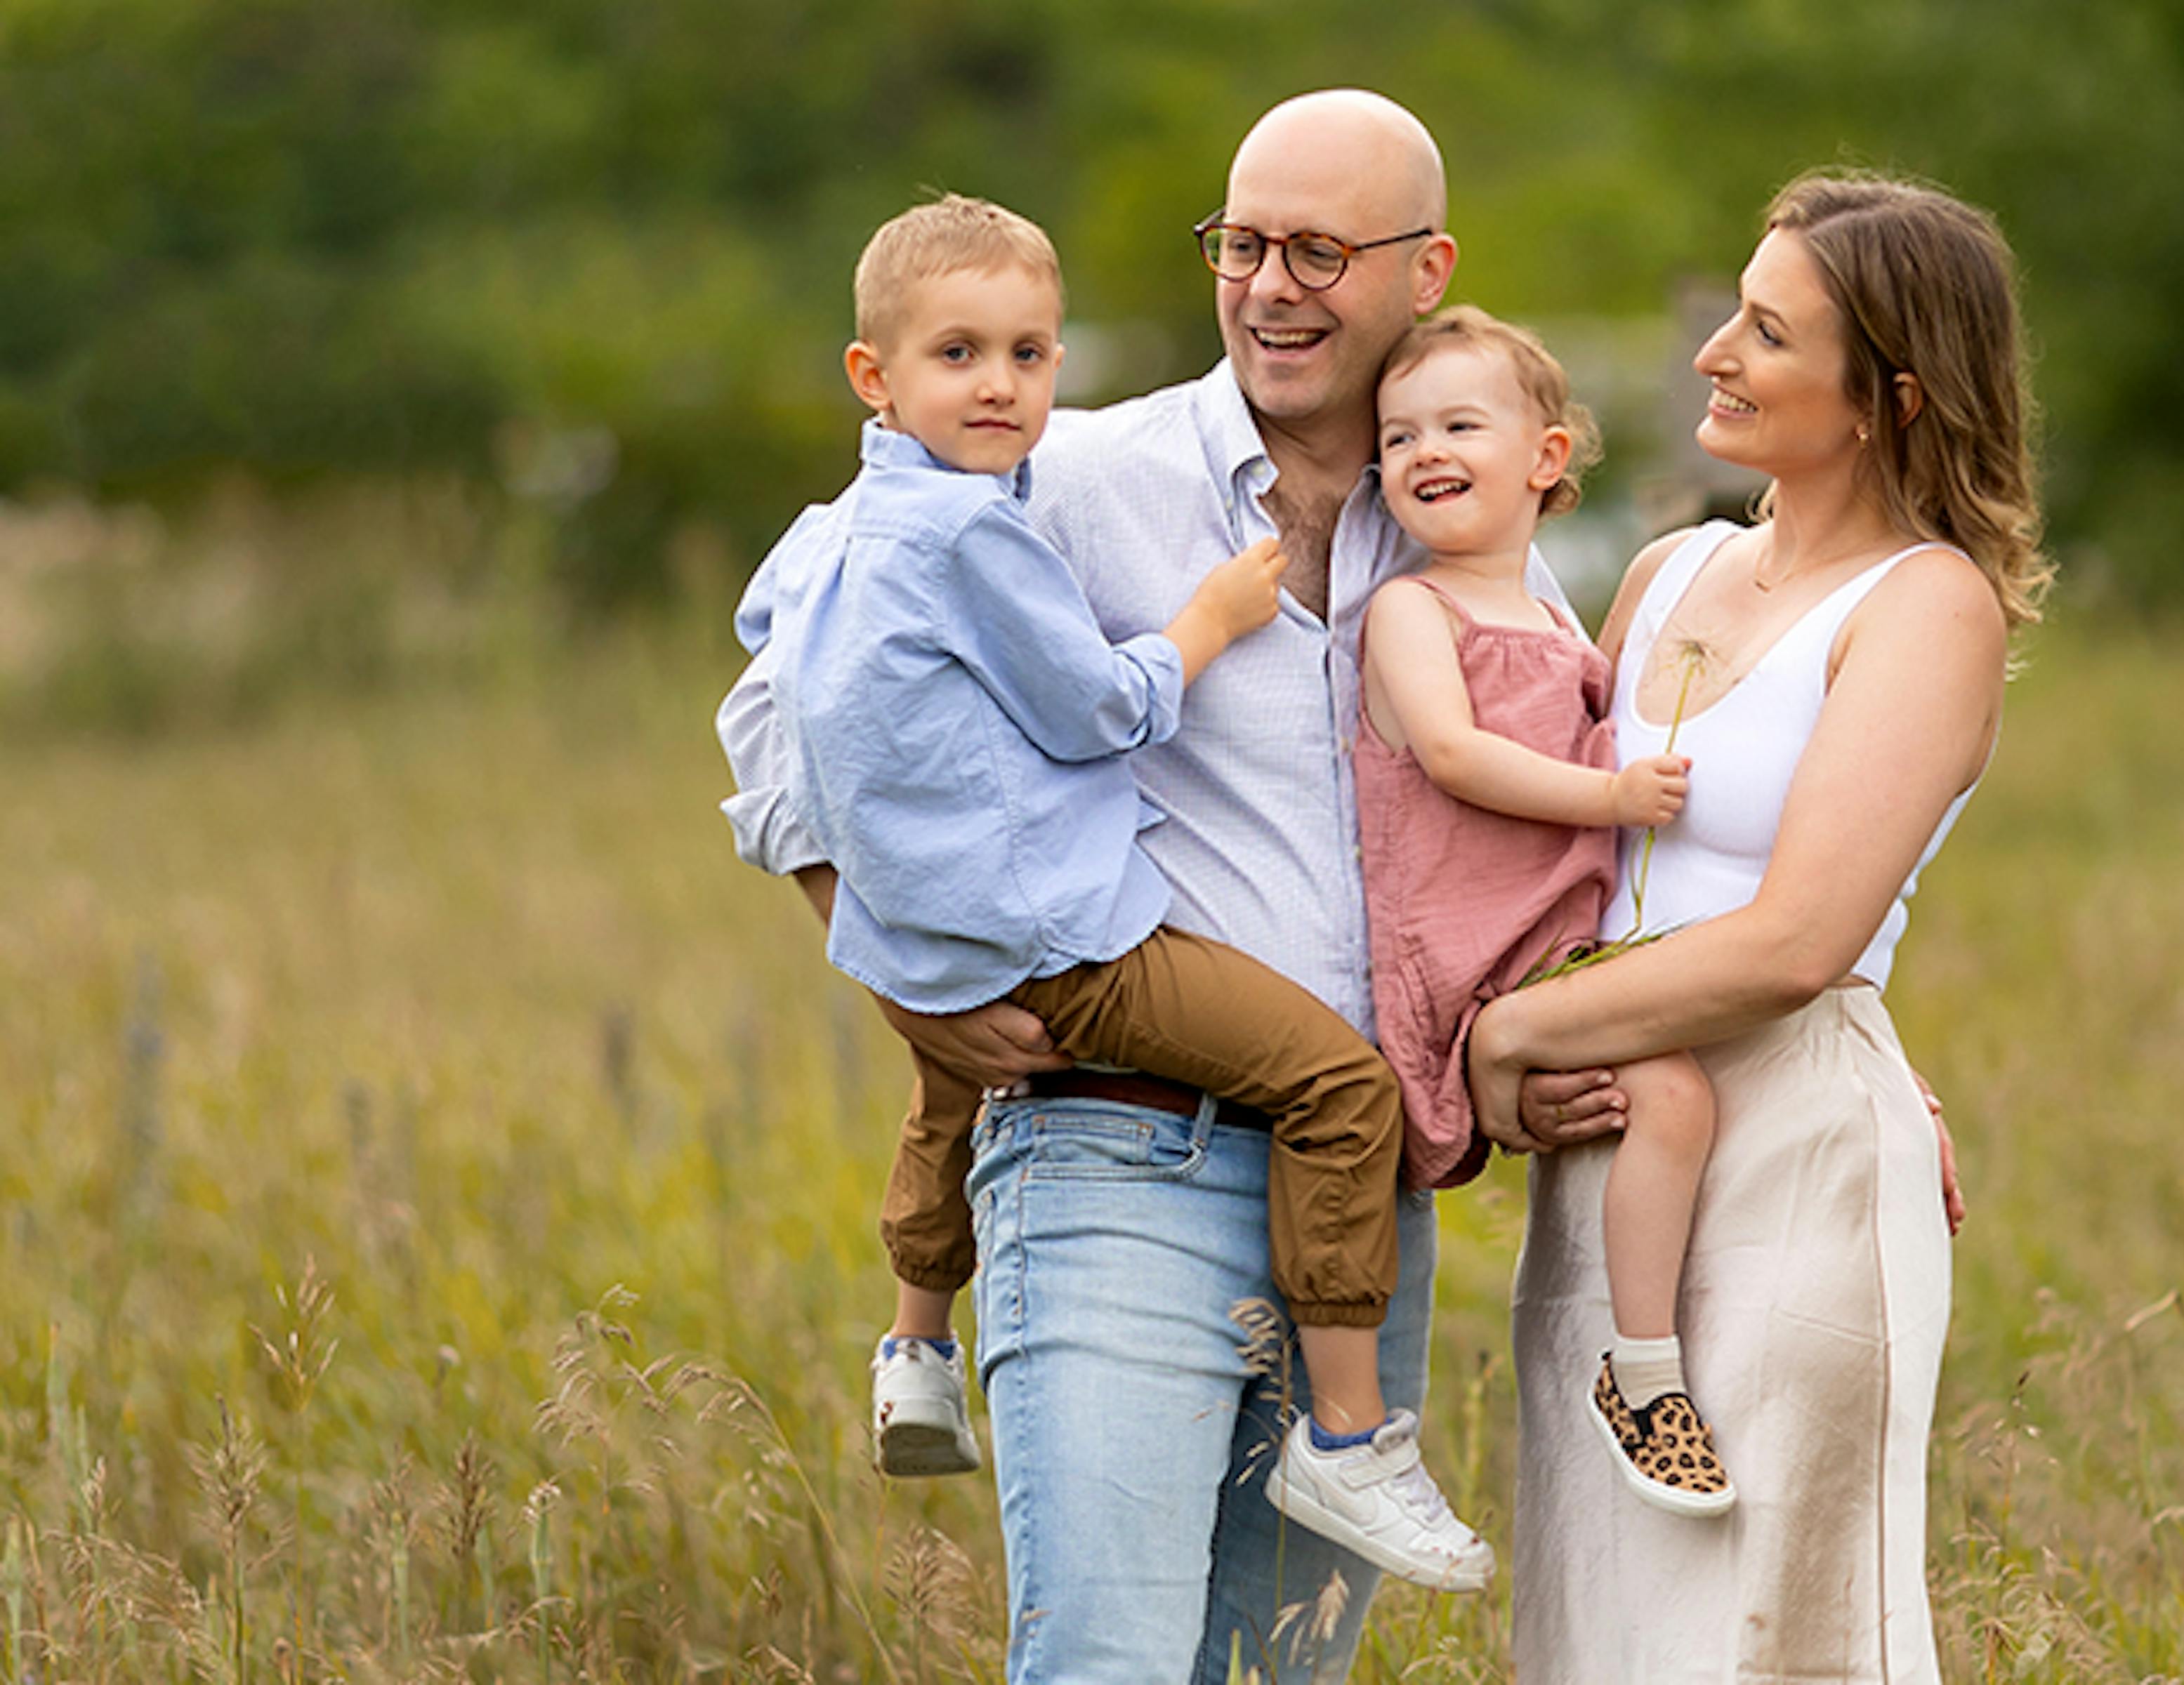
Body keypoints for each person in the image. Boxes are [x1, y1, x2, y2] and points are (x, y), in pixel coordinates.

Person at [717, 92, 1601, 1684]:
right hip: (1117, 1151)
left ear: (1426, 267)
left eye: (1319, 250)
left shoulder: (1482, 543)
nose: (1270, 284)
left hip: (1362, 1192)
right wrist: (899, 971)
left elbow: (1565, 832)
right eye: (1242, 243)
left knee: (1273, 1678)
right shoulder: (1065, 474)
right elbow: (782, 695)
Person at [1471, 170, 2046, 1683]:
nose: (1714, 353)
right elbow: (1552, 861)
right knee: (1599, 1630)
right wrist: (1517, 1063)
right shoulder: (1667, 572)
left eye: (1768, 333)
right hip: (1610, 1146)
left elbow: (1800, 940)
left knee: (1773, 1635)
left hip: (1791, 1140)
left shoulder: (1928, 607)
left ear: (1889, 395)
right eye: (1732, 311)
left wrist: (1513, 1033)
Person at [1352, 306, 1733, 1516]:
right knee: (1673, 1091)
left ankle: (1647, 1344)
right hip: (1476, 962)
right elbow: (1457, 758)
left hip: (1560, 946)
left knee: (1683, 1082)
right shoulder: (1414, 612)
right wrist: (1611, 790)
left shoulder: (1563, 624)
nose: (1424, 451)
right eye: (1399, 435)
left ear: (1548, 459)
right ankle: (1643, 1370)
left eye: (1460, 424)